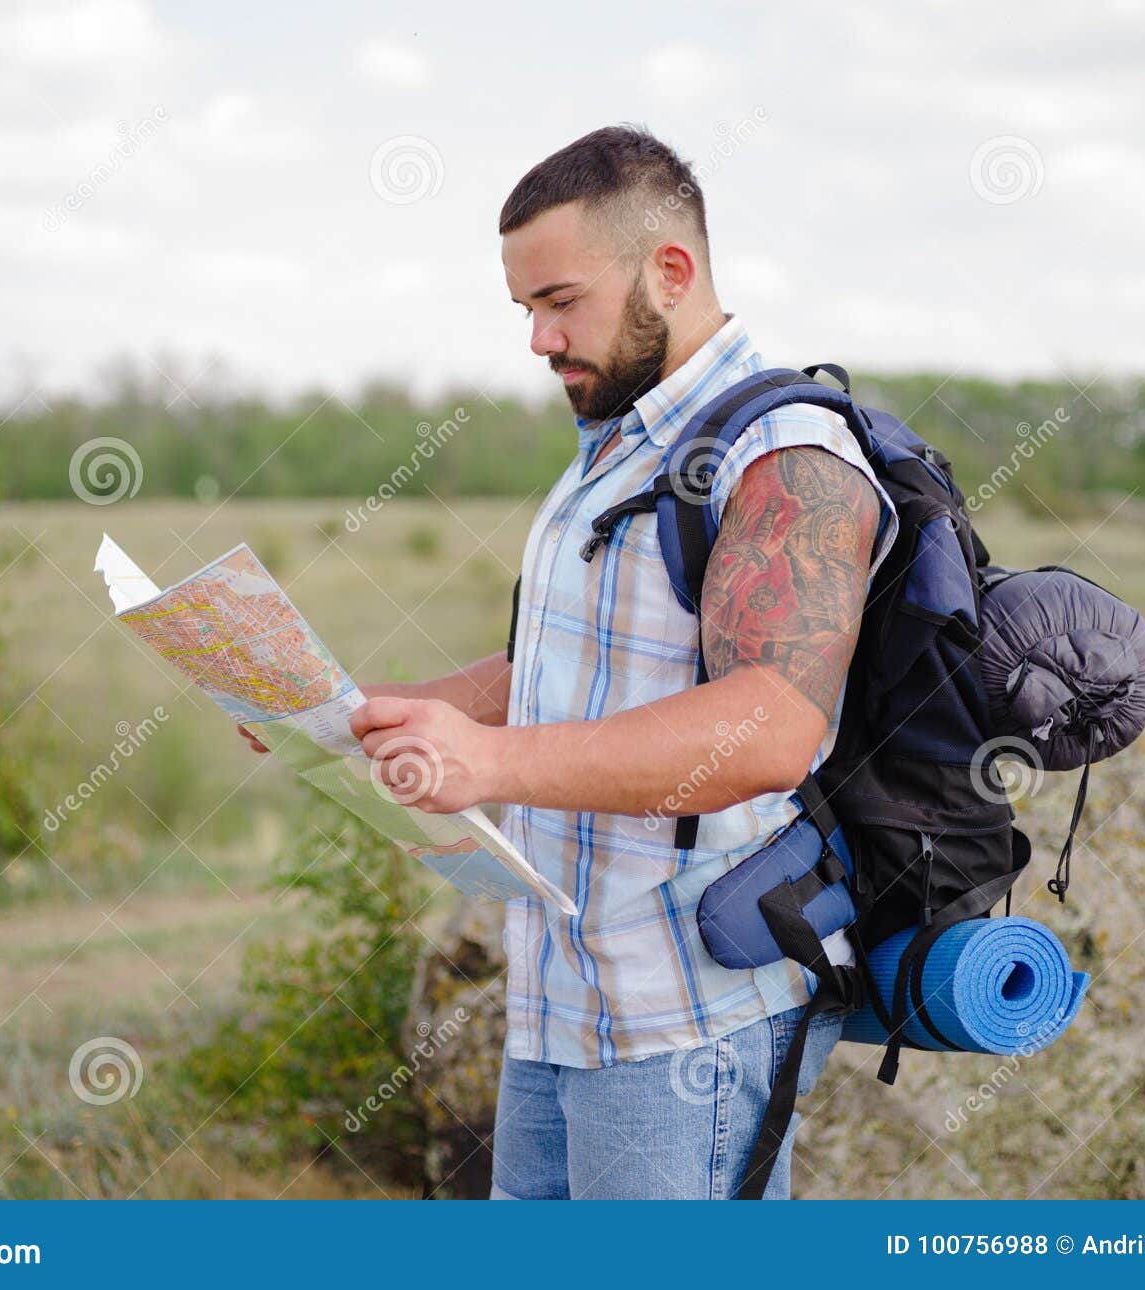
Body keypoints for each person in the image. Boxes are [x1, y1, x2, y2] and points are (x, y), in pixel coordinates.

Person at [240, 125, 897, 1199]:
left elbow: (769, 726)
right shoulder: (617, 446)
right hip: (558, 1005)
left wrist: (486, 768)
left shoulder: (786, 455)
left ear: (668, 272)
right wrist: (352, 708)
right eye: (524, 311)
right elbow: (562, 666)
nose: (538, 340)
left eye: (559, 302)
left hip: (684, 1024)